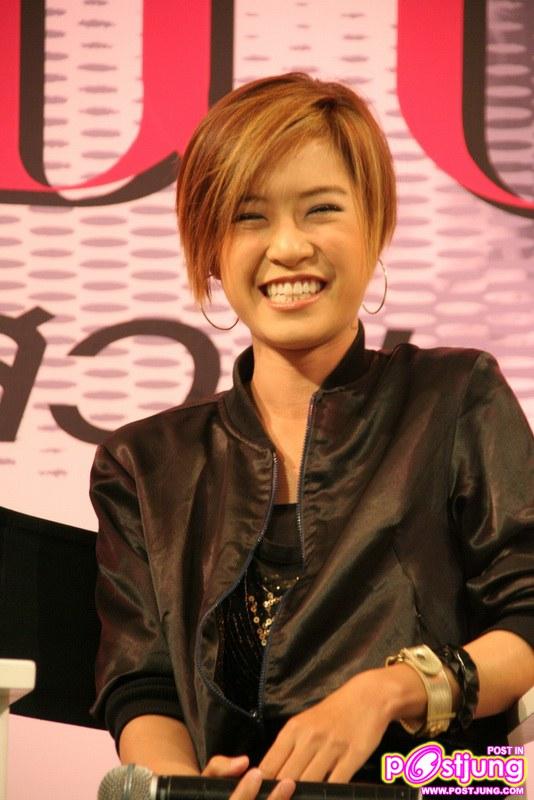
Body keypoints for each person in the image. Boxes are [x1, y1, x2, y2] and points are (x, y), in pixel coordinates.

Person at [90, 73, 534, 798]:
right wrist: (188, 790)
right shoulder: (144, 464)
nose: (289, 246)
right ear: (209, 249)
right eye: (249, 217)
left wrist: (391, 690)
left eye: (322, 209)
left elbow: (528, 615)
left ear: (375, 226)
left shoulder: (455, 398)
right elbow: (142, 687)